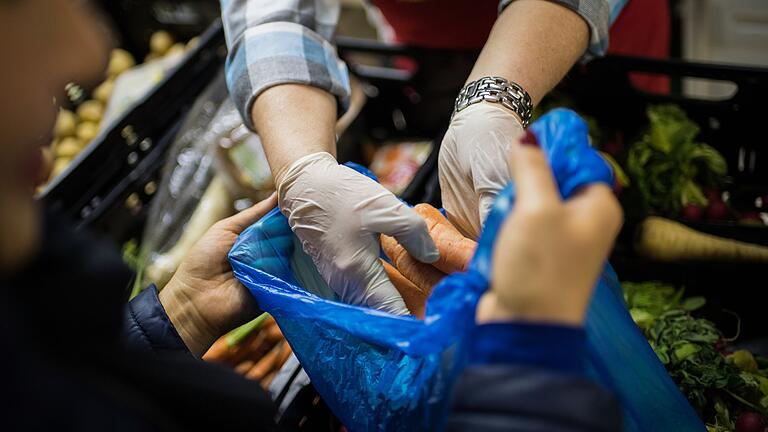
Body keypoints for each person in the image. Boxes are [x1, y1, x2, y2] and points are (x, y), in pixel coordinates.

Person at [1, 0, 623, 430]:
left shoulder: (38, 336)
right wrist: (529, 381)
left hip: (564, 33)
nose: (87, 50)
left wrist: (176, 320)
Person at [219, 0, 630, 315]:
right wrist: (302, 166)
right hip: (428, 48)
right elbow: (273, 15)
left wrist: (494, 101)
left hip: (567, 32)